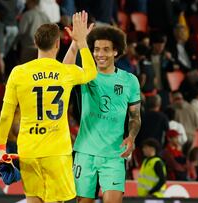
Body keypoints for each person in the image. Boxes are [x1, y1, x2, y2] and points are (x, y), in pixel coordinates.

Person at [0, 11, 97, 203]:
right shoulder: (66, 72)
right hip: (57, 152)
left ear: (35, 41)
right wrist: (81, 41)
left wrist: (0, 147)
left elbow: (6, 115)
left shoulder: (18, 72)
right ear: (58, 44)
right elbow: (91, 72)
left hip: (28, 151)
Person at [64, 25, 141, 203]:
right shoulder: (85, 75)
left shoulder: (129, 81)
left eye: (106, 49)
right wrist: (77, 42)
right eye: (97, 49)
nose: (100, 54)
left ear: (116, 51)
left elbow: (135, 117)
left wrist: (131, 136)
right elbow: (64, 72)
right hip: (84, 152)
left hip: (114, 155)